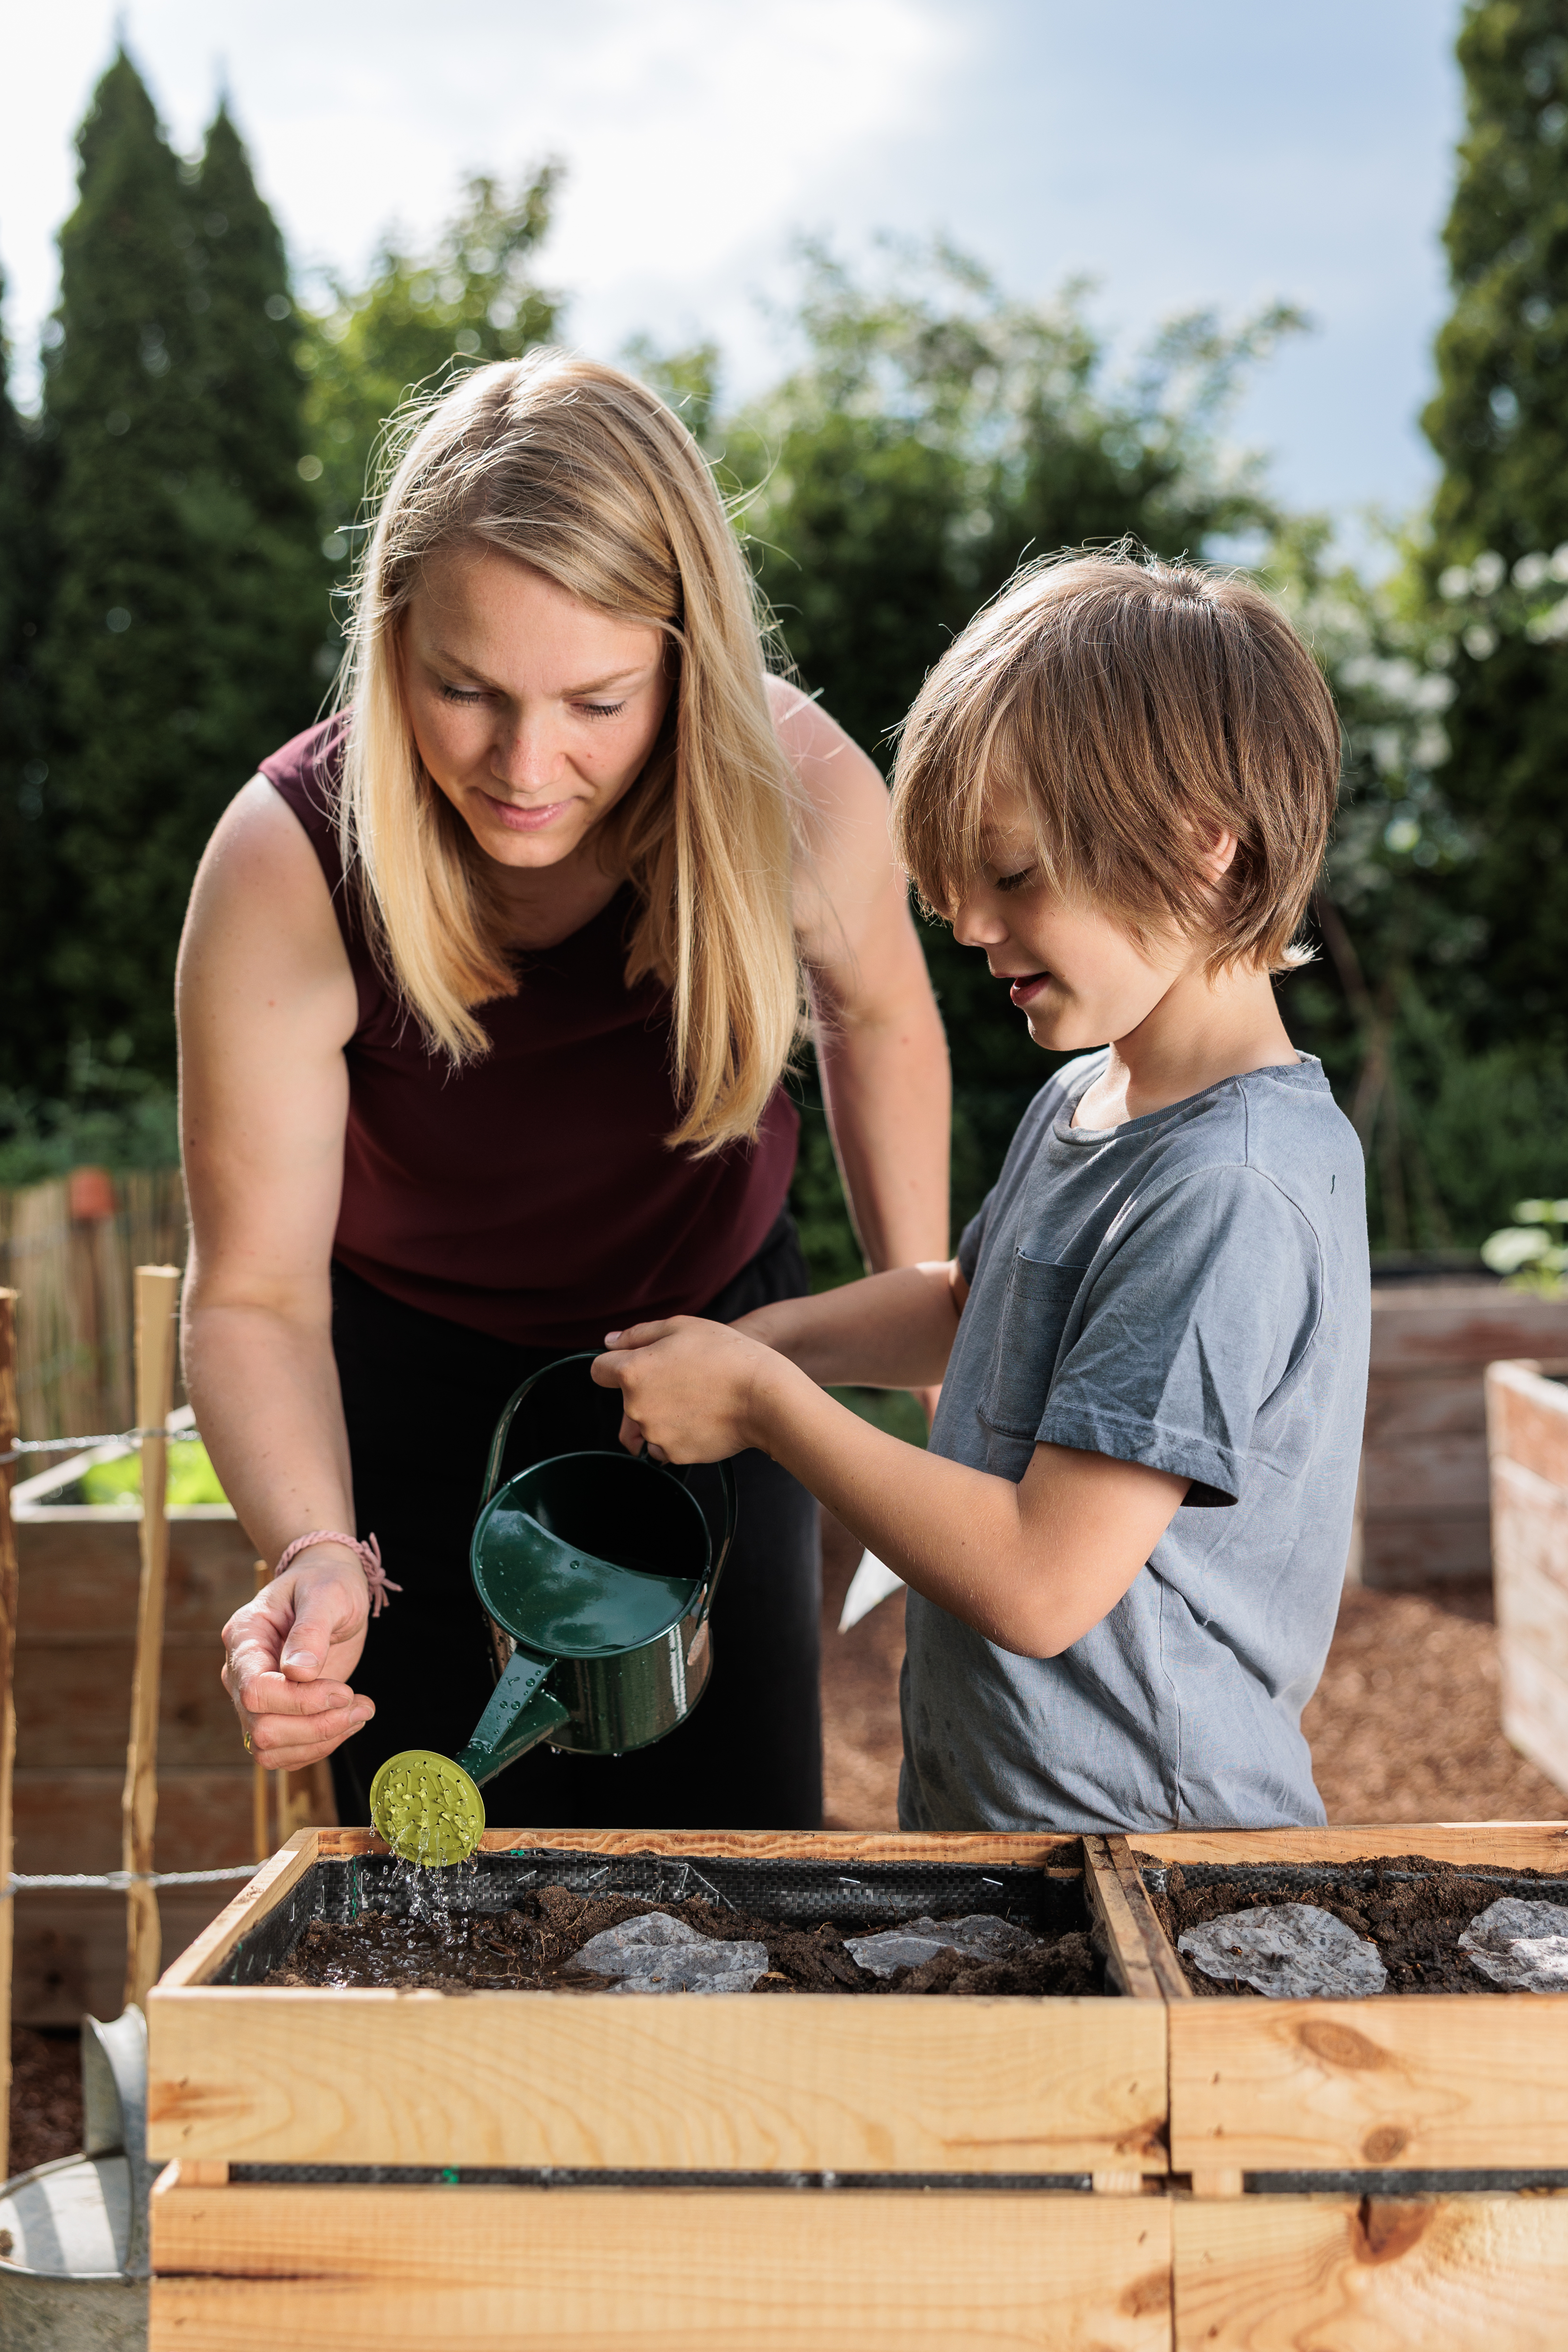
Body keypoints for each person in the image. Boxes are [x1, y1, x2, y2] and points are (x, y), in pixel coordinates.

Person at [184, 351, 950, 1832]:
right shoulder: (286, 862)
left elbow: (879, 1022)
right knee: (438, 1884)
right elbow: (254, 1295)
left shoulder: (799, 790)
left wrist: (919, 1344)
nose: (526, 765)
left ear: (686, 660)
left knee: (743, 1867)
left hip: (721, 1354)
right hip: (406, 1397)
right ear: (391, 641)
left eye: (597, 699)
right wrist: (314, 1547)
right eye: (464, 689)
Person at [593, 548, 1372, 1833]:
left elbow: (1039, 1580)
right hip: (1014, 1835)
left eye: (1012, 874)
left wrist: (768, 1407)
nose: (964, 923)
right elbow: (977, 1307)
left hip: (1152, 1858)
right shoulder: (1090, 1099)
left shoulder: (1228, 1189)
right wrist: (764, 1341)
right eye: (956, 881)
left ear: (1203, 851)